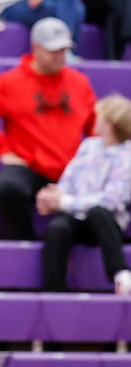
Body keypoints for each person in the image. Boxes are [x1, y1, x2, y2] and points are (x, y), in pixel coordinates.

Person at [0, 18, 97, 241]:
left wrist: (92, 161)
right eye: (54, 50)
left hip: (71, 169)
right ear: (36, 48)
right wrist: (3, 149)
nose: (60, 55)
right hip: (30, 167)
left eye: (64, 49)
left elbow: (95, 127)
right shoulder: (10, 81)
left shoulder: (79, 82)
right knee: (8, 187)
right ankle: (22, 242)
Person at [38, 94, 131, 294]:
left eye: (100, 116)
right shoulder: (88, 146)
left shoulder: (127, 156)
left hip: (106, 224)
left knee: (99, 212)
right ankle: (54, 291)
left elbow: (110, 201)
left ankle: (120, 274)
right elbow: (69, 179)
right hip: (77, 219)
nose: (95, 119)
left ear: (110, 124)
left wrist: (63, 202)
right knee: (58, 227)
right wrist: (53, 196)